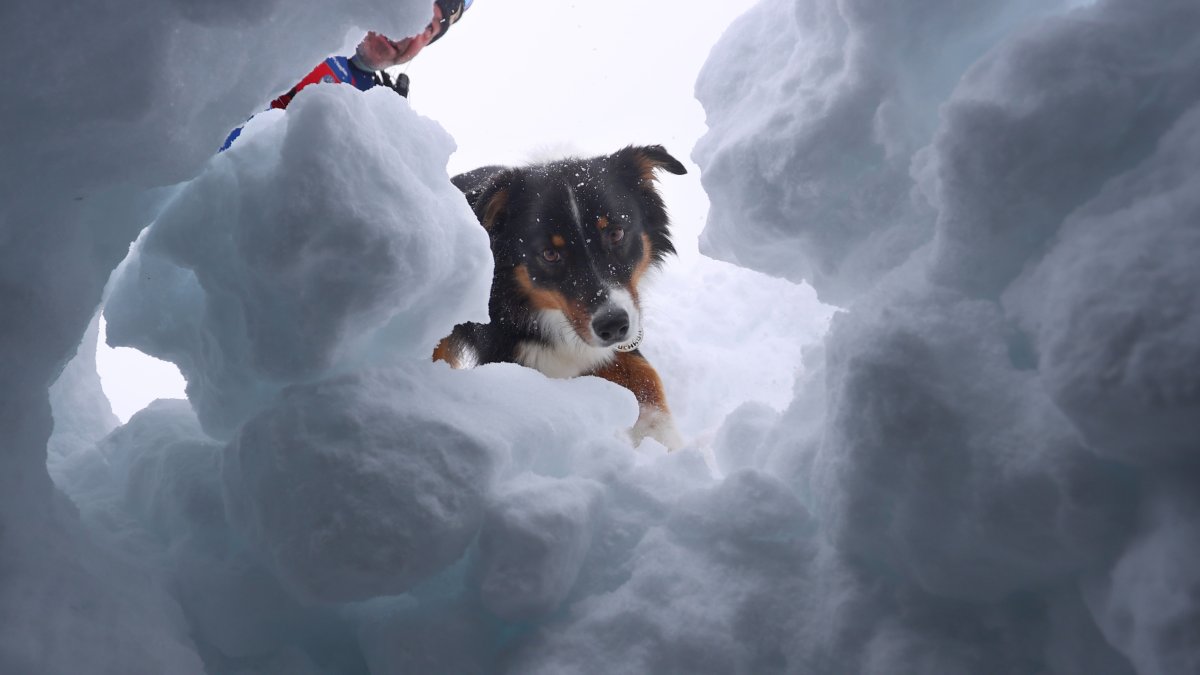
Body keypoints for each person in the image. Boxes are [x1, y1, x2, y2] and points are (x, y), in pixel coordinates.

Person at [221, 0, 472, 150]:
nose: (410, 30)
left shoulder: (375, 112)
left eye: (428, 26)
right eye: (413, 6)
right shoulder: (299, 15)